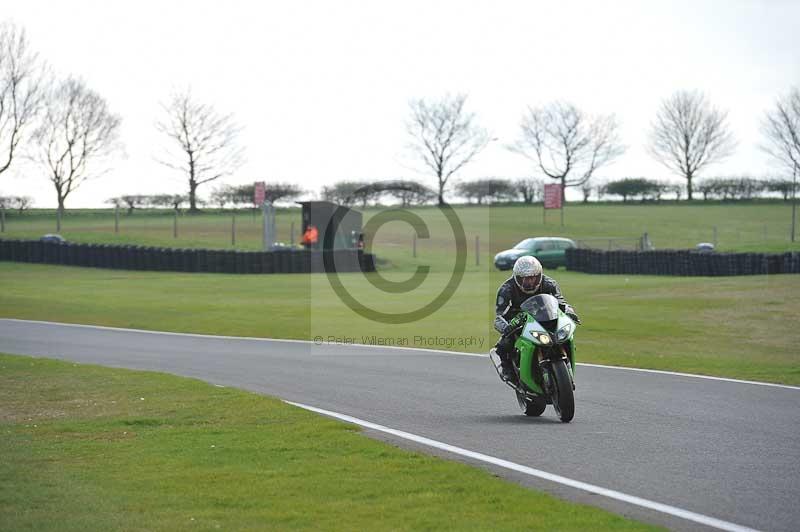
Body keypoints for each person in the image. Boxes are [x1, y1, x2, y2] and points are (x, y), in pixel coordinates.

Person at [493, 256, 581, 381]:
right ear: (517, 278)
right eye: (525, 279)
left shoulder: (549, 284)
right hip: (518, 321)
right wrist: (506, 327)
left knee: (565, 335)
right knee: (504, 344)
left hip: (544, 316)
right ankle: (507, 369)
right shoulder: (506, 289)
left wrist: (570, 312)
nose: (530, 283)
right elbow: (500, 315)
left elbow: (561, 302)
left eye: (533, 278)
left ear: (539, 275)